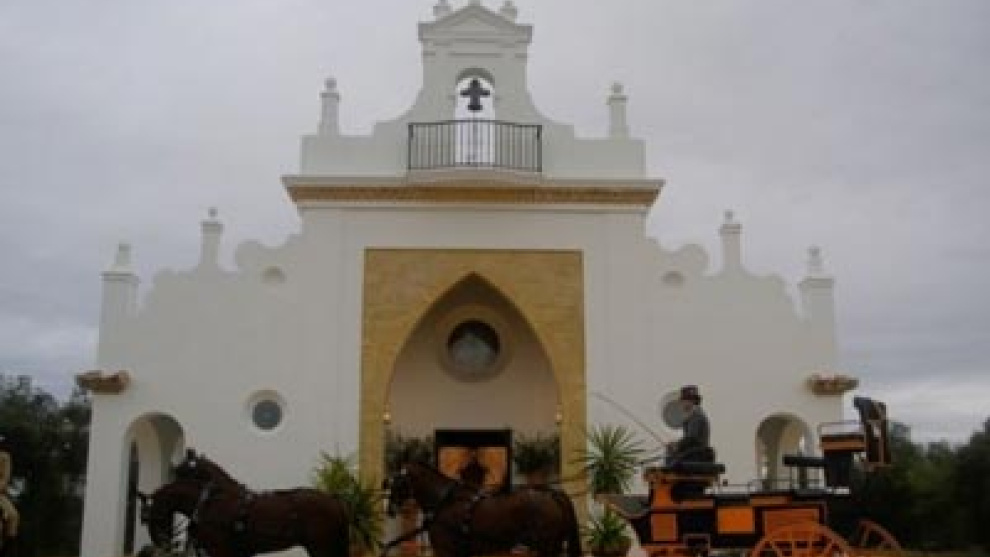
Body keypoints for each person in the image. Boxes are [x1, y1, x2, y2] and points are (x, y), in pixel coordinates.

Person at [665, 385, 713, 465]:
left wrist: (676, 445)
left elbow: (691, 439)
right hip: (695, 453)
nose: (682, 404)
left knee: (670, 459)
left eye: (685, 401)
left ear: (693, 401)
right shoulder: (693, 415)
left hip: (696, 454)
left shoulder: (696, 415)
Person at [0, 436, 20, 552]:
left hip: (0, 493)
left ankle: (9, 550)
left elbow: (5, 479)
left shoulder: (5, 457)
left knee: (13, 516)